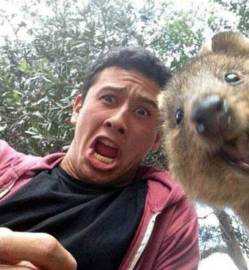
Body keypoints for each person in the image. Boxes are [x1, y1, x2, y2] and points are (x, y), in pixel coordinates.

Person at [0, 47, 200, 270]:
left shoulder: (171, 215)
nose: (118, 120)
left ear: (156, 139)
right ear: (77, 108)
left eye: (142, 112)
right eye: (108, 98)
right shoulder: (3, 162)